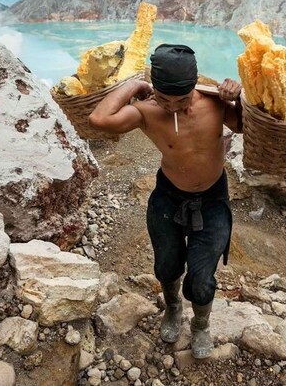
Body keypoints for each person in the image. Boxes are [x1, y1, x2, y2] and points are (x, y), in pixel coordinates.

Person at [89, 44, 243, 358]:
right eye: (164, 98)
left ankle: (201, 324)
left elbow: (242, 124)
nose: (172, 107)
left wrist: (236, 97)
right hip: (168, 197)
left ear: (195, 86)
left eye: (182, 99)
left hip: (213, 198)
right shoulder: (146, 111)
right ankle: (172, 308)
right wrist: (134, 85)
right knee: (167, 265)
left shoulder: (214, 103)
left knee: (201, 278)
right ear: (154, 90)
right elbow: (99, 119)